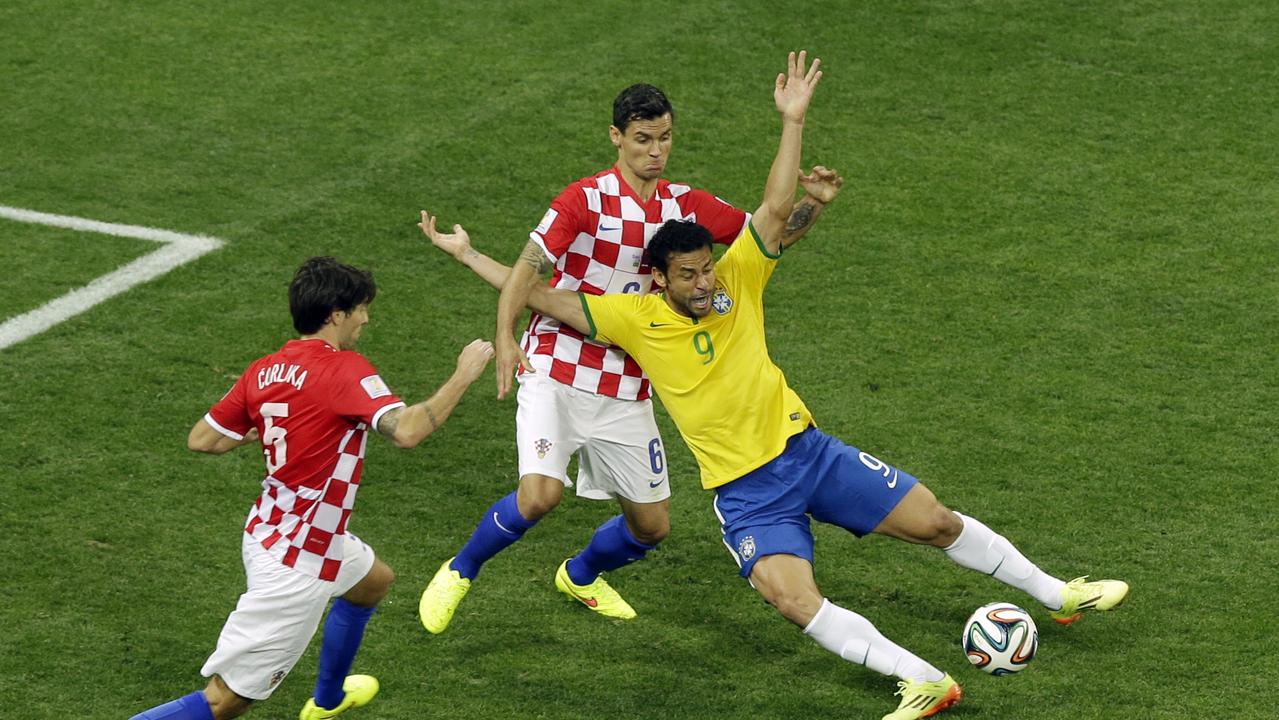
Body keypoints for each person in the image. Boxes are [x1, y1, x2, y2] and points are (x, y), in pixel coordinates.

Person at [425, 51, 1130, 720]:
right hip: (746, 493)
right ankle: (923, 680)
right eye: (691, 275)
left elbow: (770, 211)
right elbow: (541, 294)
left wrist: (793, 125)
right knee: (793, 599)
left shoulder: (738, 278)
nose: (706, 282)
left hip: (808, 453)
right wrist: (471, 258)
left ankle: (1057, 593)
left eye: (708, 267)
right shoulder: (630, 317)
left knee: (935, 522)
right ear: (658, 280)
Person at [416, 61, 837, 633]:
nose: (655, 151)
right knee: (539, 496)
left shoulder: (687, 205)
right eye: (642, 139)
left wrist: (814, 204)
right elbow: (529, 272)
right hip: (558, 369)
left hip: (627, 383)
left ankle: (581, 575)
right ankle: (460, 570)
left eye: (664, 138)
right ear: (617, 137)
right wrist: (505, 336)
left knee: (652, 527)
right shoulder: (583, 202)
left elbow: (768, 233)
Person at [129, 257, 494, 720]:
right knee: (225, 702)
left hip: (271, 528)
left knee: (372, 581)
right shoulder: (343, 369)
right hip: (298, 561)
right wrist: (463, 374)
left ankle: (327, 700)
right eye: (360, 309)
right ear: (336, 314)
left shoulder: (265, 370)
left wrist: (271, 426)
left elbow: (203, 440)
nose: (366, 318)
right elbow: (407, 431)